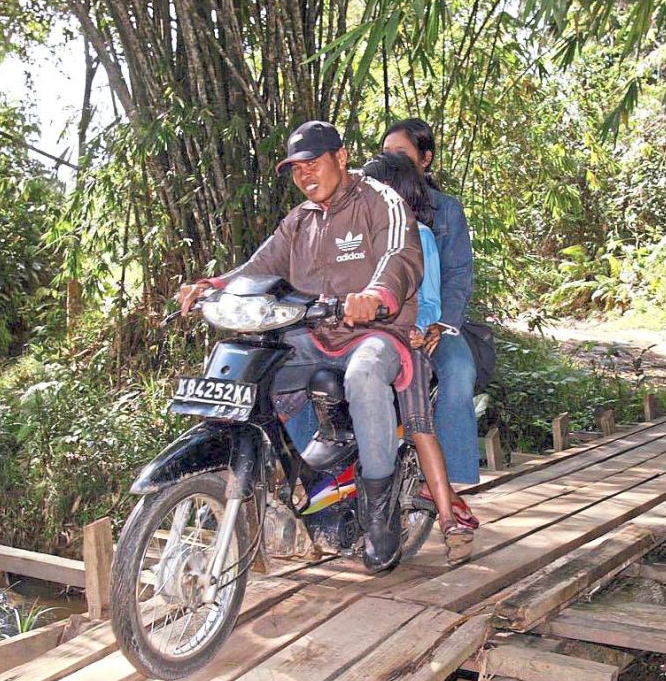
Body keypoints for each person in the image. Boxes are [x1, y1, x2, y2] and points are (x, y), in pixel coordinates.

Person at [178, 120, 423, 573]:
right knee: (258, 372)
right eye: (296, 169)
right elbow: (259, 266)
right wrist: (212, 285)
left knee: (364, 376)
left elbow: (399, 258)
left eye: (313, 163)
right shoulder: (299, 222)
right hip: (312, 335)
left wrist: (377, 296)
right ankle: (289, 483)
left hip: (375, 334)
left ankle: (380, 514)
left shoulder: (381, 202)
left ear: (341, 157)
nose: (305, 175)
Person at [361, 152, 474, 563]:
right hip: (360, 342)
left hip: (404, 340)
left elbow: (428, 302)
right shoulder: (359, 237)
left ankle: (448, 518)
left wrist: (419, 327)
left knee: (418, 420)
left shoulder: (420, 236)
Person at [382, 118, 480, 530]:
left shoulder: (447, 210)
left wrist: (442, 324)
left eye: (401, 156)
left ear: (426, 159)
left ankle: (443, 482)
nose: (392, 164)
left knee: (458, 370)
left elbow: (458, 274)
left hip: (436, 319)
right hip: (389, 321)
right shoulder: (372, 209)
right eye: (386, 156)